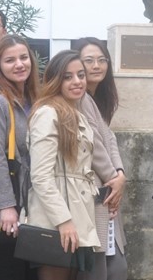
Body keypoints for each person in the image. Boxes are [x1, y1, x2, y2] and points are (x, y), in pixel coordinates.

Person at [27, 50, 100, 279]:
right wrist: (64, 220)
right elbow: (40, 175)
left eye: (80, 74)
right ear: (55, 80)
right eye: (68, 77)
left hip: (78, 211)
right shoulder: (48, 113)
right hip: (57, 217)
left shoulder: (76, 113)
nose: (77, 81)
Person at [0, 35, 41, 280]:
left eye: (23, 57)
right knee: (10, 268)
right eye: (10, 60)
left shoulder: (38, 99)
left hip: (38, 197)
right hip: (14, 196)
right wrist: (6, 206)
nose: (19, 64)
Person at [72, 37, 128, 280]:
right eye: (89, 60)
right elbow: (94, 144)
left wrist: (119, 174)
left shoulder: (99, 99)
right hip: (92, 190)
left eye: (102, 60)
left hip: (107, 186)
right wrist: (114, 177)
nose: (96, 65)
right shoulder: (79, 98)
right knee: (100, 266)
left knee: (113, 265)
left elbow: (109, 140)